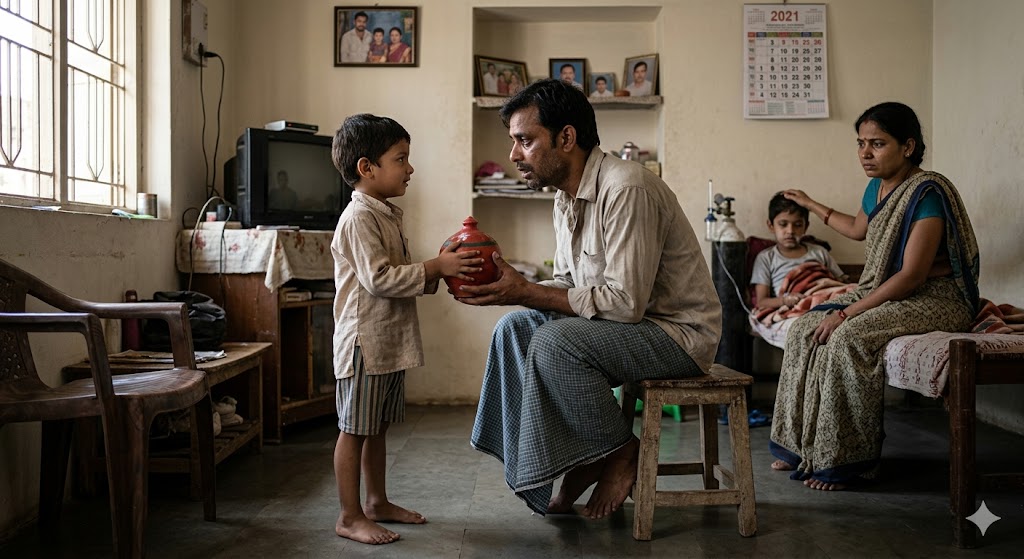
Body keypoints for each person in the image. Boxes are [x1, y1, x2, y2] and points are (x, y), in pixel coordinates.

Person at [457, 79, 722, 519]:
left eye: (525, 140)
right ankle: (581, 458)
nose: (514, 154)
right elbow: (567, 284)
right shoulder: (565, 198)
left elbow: (626, 303)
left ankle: (619, 450)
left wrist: (526, 291)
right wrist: (511, 289)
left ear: (566, 137)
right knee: (514, 330)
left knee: (555, 342)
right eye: (514, 142)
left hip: (677, 335)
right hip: (626, 330)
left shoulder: (626, 187)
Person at [769, 102, 980, 491]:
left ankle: (846, 461)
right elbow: (856, 228)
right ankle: (798, 447)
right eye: (861, 143)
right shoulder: (877, 186)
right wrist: (810, 203)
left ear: (908, 146)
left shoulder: (926, 193)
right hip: (892, 294)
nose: (865, 153)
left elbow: (911, 276)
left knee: (847, 337)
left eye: (877, 144)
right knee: (802, 329)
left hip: (936, 299)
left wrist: (846, 313)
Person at [329, 113, 485, 544]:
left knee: (375, 426)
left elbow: (397, 274)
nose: (410, 168)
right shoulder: (359, 218)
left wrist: (441, 268)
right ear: (367, 168)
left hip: (385, 341)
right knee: (354, 429)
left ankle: (376, 502)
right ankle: (348, 516)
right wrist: (436, 267)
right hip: (364, 344)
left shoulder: (384, 214)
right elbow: (380, 279)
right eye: (400, 159)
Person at [751, 192, 846, 310]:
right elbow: (762, 302)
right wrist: (785, 300)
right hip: (793, 307)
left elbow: (840, 283)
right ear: (771, 226)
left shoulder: (819, 252)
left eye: (797, 225)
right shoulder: (766, 258)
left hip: (823, 302)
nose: (790, 231)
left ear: (806, 227)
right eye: (783, 224)